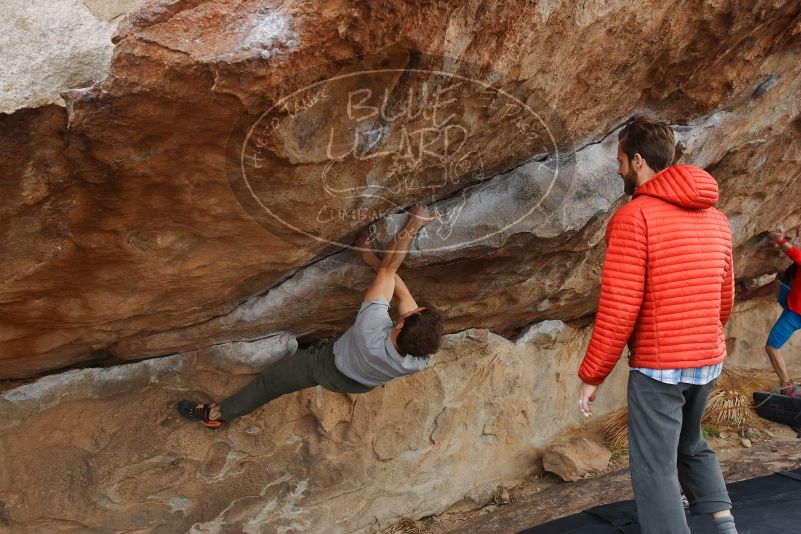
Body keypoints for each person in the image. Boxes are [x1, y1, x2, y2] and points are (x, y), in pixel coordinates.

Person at [576, 116, 737, 534]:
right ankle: (724, 524)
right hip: (707, 361)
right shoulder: (716, 219)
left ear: (639, 160)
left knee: (654, 468)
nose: (618, 169)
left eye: (621, 160)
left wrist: (592, 375)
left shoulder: (634, 218)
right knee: (691, 442)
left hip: (661, 368)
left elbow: (618, 308)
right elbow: (725, 298)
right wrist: (705, 341)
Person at [177, 205, 443, 428]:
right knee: (355, 331)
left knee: (269, 384)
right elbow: (399, 291)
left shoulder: (371, 327)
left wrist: (412, 224)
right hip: (362, 381)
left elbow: (390, 271)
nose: (414, 307)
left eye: (413, 313)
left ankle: (217, 416)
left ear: (398, 326)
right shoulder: (421, 358)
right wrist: (375, 264)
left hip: (326, 365)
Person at [765, 229, 801, 394]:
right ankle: (747, 294)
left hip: (796, 313)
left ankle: (786, 386)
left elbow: (795, 254)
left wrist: (780, 240)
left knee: (772, 347)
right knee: (775, 286)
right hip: (792, 300)